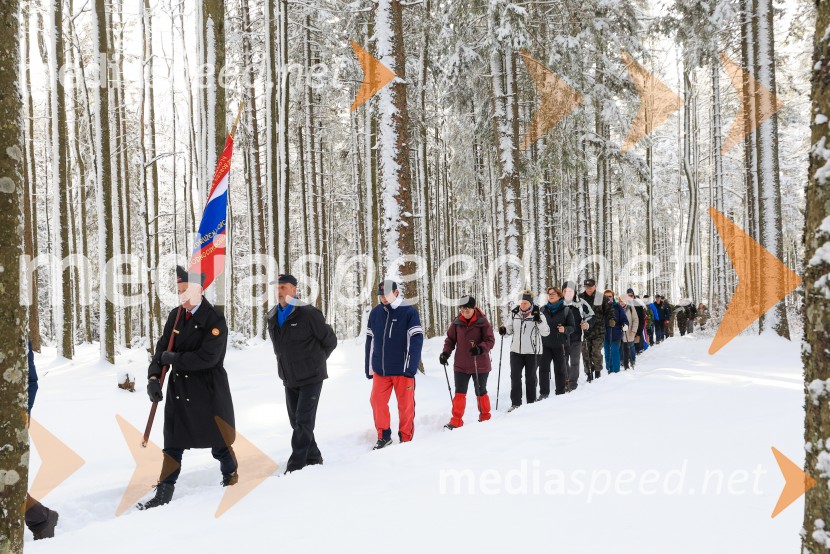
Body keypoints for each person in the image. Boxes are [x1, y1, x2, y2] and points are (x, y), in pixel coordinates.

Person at [138, 266, 237, 510]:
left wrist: (174, 359)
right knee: (173, 442)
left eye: (186, 291)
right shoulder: (175, 315)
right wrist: (152, 378)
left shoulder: (214, 320)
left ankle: (230, 477)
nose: (182, 296)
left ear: (199, 290)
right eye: (179, 291)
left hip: (207, 389)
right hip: (180, 389)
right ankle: (164, 493)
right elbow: (161, 349)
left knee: (219, 442)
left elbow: (208, 357)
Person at [267, 274, 337, 473]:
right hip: (289, 377)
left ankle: (295, 466)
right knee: (296, 422)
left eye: (284, 287)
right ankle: (314, 457)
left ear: (294, 290)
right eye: (277, 288)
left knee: (304, 421)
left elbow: (330, 341)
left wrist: (315, 361)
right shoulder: (272, 315)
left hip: (311, 377)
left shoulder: (308, 313)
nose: (279, 291)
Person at [365, 280, 424, 450]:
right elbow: (370, 340)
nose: (383, 298)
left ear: (396, 292)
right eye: (381, 295)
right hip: (380, 370)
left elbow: (416, 339)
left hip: (402, 370)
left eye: (387, 294)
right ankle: (384, 436)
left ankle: (406, 437)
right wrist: (369, 367)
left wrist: (411, 367)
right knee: (376, 401)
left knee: (405, 405)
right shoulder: (375, 313)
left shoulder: (408, 311)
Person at [439, 296, 495, 429]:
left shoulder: (482, 322)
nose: (464, 313)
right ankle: (456, 420)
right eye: (462, 310)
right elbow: (450, 340)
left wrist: (480, 348)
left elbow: (490, 340)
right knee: (459, 392)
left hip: (479, 364)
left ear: (473, 308)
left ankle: (485, 417)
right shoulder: (457, 322)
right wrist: (445, 353)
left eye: (467, 310)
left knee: (481, 391)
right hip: (461, 365)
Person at [25, 341, 59, 540]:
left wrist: (22, 415)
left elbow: (30, 381)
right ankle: (40, 518)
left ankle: (41, 519)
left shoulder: (12, 325)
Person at [498, 290, 550, 411]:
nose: (522, 305)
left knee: (530, 378)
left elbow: (546, 332)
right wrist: (504, 331)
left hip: (533, 351)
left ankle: (531, 403)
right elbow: (509, 329)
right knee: (515, 377)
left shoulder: (538, 313)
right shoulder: (515, 312)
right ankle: (516, 403)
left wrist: (539, 321)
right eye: (521, 302)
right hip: (516, 351)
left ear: (530, 303)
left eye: (525, 303)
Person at [540, 287, 575, 396]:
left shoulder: (566, 310)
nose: (550, 295)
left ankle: (560, 392)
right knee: (543, 370)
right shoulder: (542, 310)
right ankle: (544, 393)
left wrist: (564, 329)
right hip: (545, 344)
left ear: (559, 296)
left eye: (553, 293)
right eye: (549, 293)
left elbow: (572, 327)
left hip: (561, 344)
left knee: (560, 370)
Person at [562, 281, 594, 392]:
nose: (567, 293)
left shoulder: (581, 303)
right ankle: (565, 382)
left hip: (576, 338)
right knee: (563, 361)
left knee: (574, 362)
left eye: (570, 291)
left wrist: (586, 324)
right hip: (561, 338)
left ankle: (572, 384)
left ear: (574, 291)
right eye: (565, 291)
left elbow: (591, 315)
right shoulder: (558, 304)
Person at [579, 278, 607, 381]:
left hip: (598, 331)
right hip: (584, 331)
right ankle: (589, 373)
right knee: (586, 353)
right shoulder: (580, 298)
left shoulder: (600, 297)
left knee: (596, 352)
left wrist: (612, 320)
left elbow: (609, 310)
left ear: (595, 286)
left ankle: (598, 372)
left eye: (590, 287)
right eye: (586, 287)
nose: (589, 289)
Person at [603, 289, 628, 374]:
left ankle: (616, 372)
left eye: (610, 296)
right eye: (606, 296)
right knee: (607, 354)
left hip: (616, 333)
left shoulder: (618, 307)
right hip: (605, 334)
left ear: (613, 297)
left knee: (614, 352)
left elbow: (624, 319)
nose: (608, 298)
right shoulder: (601, 307)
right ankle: (609, 370)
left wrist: (625, 325)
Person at [618, 295, 639, 370]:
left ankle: (632, 360)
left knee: (630, 347)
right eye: (620, 301)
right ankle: (623, 361)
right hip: (620, 333)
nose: (621, 303)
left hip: (629, 332)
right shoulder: (617, 308)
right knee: (621, 347)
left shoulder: (630, 308)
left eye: (623, 301)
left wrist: (633, 331)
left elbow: (635, 320)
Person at [628, 289, 647, 354]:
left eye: (631, 295)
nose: (630, 297)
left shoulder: (638, 305)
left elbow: (642, 318)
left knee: (637, 340)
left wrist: (640, 328)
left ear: (633, 296)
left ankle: (638, 350)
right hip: (628, 327)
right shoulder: (624, 304)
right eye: (628, 295)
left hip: (637, 326)